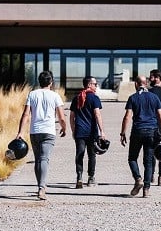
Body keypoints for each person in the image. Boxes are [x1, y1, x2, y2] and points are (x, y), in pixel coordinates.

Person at [14, 70, 67, 200]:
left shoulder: (32, 94)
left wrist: (20, 132)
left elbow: (26, 114)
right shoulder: (55, 96)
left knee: (38, 159)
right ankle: (41, 188)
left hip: (35, 131)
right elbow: (61, 116)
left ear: (39, 81)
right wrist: (64, 128)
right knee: (44, 159)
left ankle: (40, 186)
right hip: (48, 132)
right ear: (51, 82)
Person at [120, 75, 161, 198]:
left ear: (136, 84)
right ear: (145, 84)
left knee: (132, 158)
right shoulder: (154, 97)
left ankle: (138, 179)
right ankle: (146, 190)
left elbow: (127, 117)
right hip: (152, 132)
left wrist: (123, 133)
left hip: (137, 131)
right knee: (148, 162)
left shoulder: (133, 98)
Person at [69, 76, 107, 188]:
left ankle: (79, 177)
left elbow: (72, 117)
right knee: (92, 155)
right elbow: (97, 114)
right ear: (89, 85)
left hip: (80, 131)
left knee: (79, 154)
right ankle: (91, 178)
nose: (96, 86)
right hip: (92, 132)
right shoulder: (94, 98)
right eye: (95, 84)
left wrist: (73, 130)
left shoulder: (77, 98)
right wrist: (102, 131)